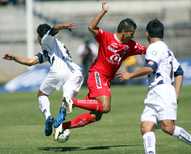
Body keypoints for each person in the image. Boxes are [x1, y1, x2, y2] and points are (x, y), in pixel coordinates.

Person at [54, 0, 146, 138]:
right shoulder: (106, 37)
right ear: (123, 32)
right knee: (105, 107)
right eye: (131, 33)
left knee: (94, 117)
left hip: (105, 80)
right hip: (97, 75)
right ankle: (70, 101)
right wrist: (103, 11)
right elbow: (91, 27)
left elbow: (147, 50)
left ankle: (62, 127)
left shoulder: (130, 45)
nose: (132, 36)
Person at [118, 19, 191, 154]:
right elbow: (179, 72)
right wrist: (176, 94)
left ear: (147, 34)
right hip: (156, 91)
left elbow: (151, 68)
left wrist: (130, 75)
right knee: (146, 126)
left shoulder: (154, 47)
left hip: (162, 92)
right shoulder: (166, 49)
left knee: (168, 128)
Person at [2, 22, 84, 137]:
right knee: (67, 98)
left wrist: (63, 26)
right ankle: (63, 109)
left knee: (42, 94)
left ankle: (49, 117)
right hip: (76, 72)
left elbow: (54, 29)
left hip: (59, 69)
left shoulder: (46, 39)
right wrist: (14, 58)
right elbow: (30, 62)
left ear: (40, 35)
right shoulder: (52, 48)